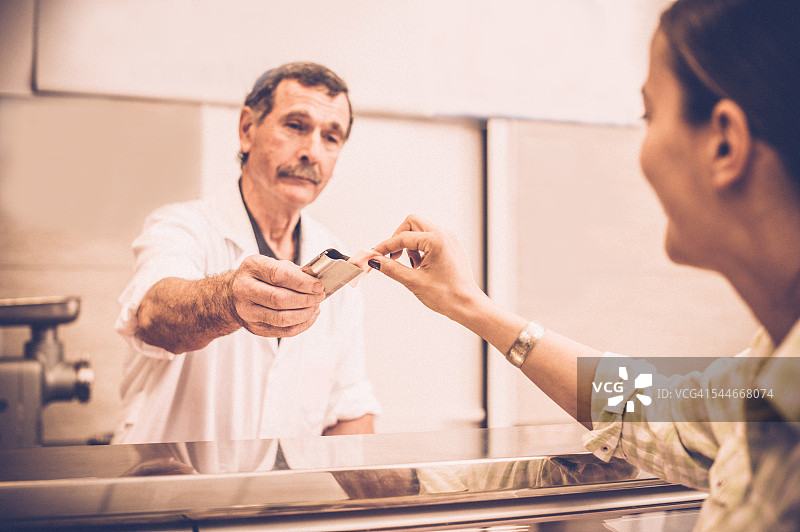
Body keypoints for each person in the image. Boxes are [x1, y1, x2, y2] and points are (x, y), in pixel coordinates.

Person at [369, 0, 800, 529]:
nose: (641, 149)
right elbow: (645, 404)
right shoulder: (771, 370)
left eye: (650, 115)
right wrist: (472, 306)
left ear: (725, 143)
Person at [113, 62, 380, 444]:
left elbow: (348, 407)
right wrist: (228, 300)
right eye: (296, 126)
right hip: (167, 494)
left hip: (281, 501)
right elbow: (155, 315)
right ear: (247, 130)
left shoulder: (338, 264)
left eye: (331, 137)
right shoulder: (181, 227)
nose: (311, 152)